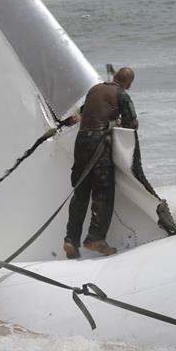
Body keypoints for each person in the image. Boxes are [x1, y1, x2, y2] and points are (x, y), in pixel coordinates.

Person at [64, 67, 139, 259]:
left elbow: (83, 111)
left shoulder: (94, 90)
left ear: (114, 77)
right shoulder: (121, 94)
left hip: (80, 142)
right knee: (103, 192)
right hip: (98, 143)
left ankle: (71, 240)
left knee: (80, 192)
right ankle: (95, 237)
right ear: (128, 85)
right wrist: (120, 123)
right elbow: (132, 124)